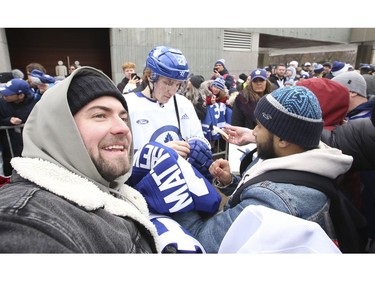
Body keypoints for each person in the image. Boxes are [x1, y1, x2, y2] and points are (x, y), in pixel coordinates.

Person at [171, 86, 353, 253]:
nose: (254, 132)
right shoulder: (297, 158)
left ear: (283, 139)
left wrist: (174, 187)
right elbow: (258, 188)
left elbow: (202, 240)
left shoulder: (273, 201)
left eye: (259, 126)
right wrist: (230, 182)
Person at [0, 66, 159, 253]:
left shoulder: (113, 190)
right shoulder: (26, 217)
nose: (123, 128)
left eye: (123, 118)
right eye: (100, 115)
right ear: (59, 130)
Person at [124, 46, 206, 160]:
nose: (173, 91)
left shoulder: (183, 104)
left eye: (178, 84)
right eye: (167, 83)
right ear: (150, 76)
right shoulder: (127, 104)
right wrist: (159, 153)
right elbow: (119, 159)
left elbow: (201, 142)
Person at [0, 79, 39, 176]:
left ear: (21, 96)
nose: (5, 96)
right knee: (10, 172)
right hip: (9, 146)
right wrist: (8, 121)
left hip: (30, 147)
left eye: (8, 94)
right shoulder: (2, 103)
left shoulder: (35, 103)